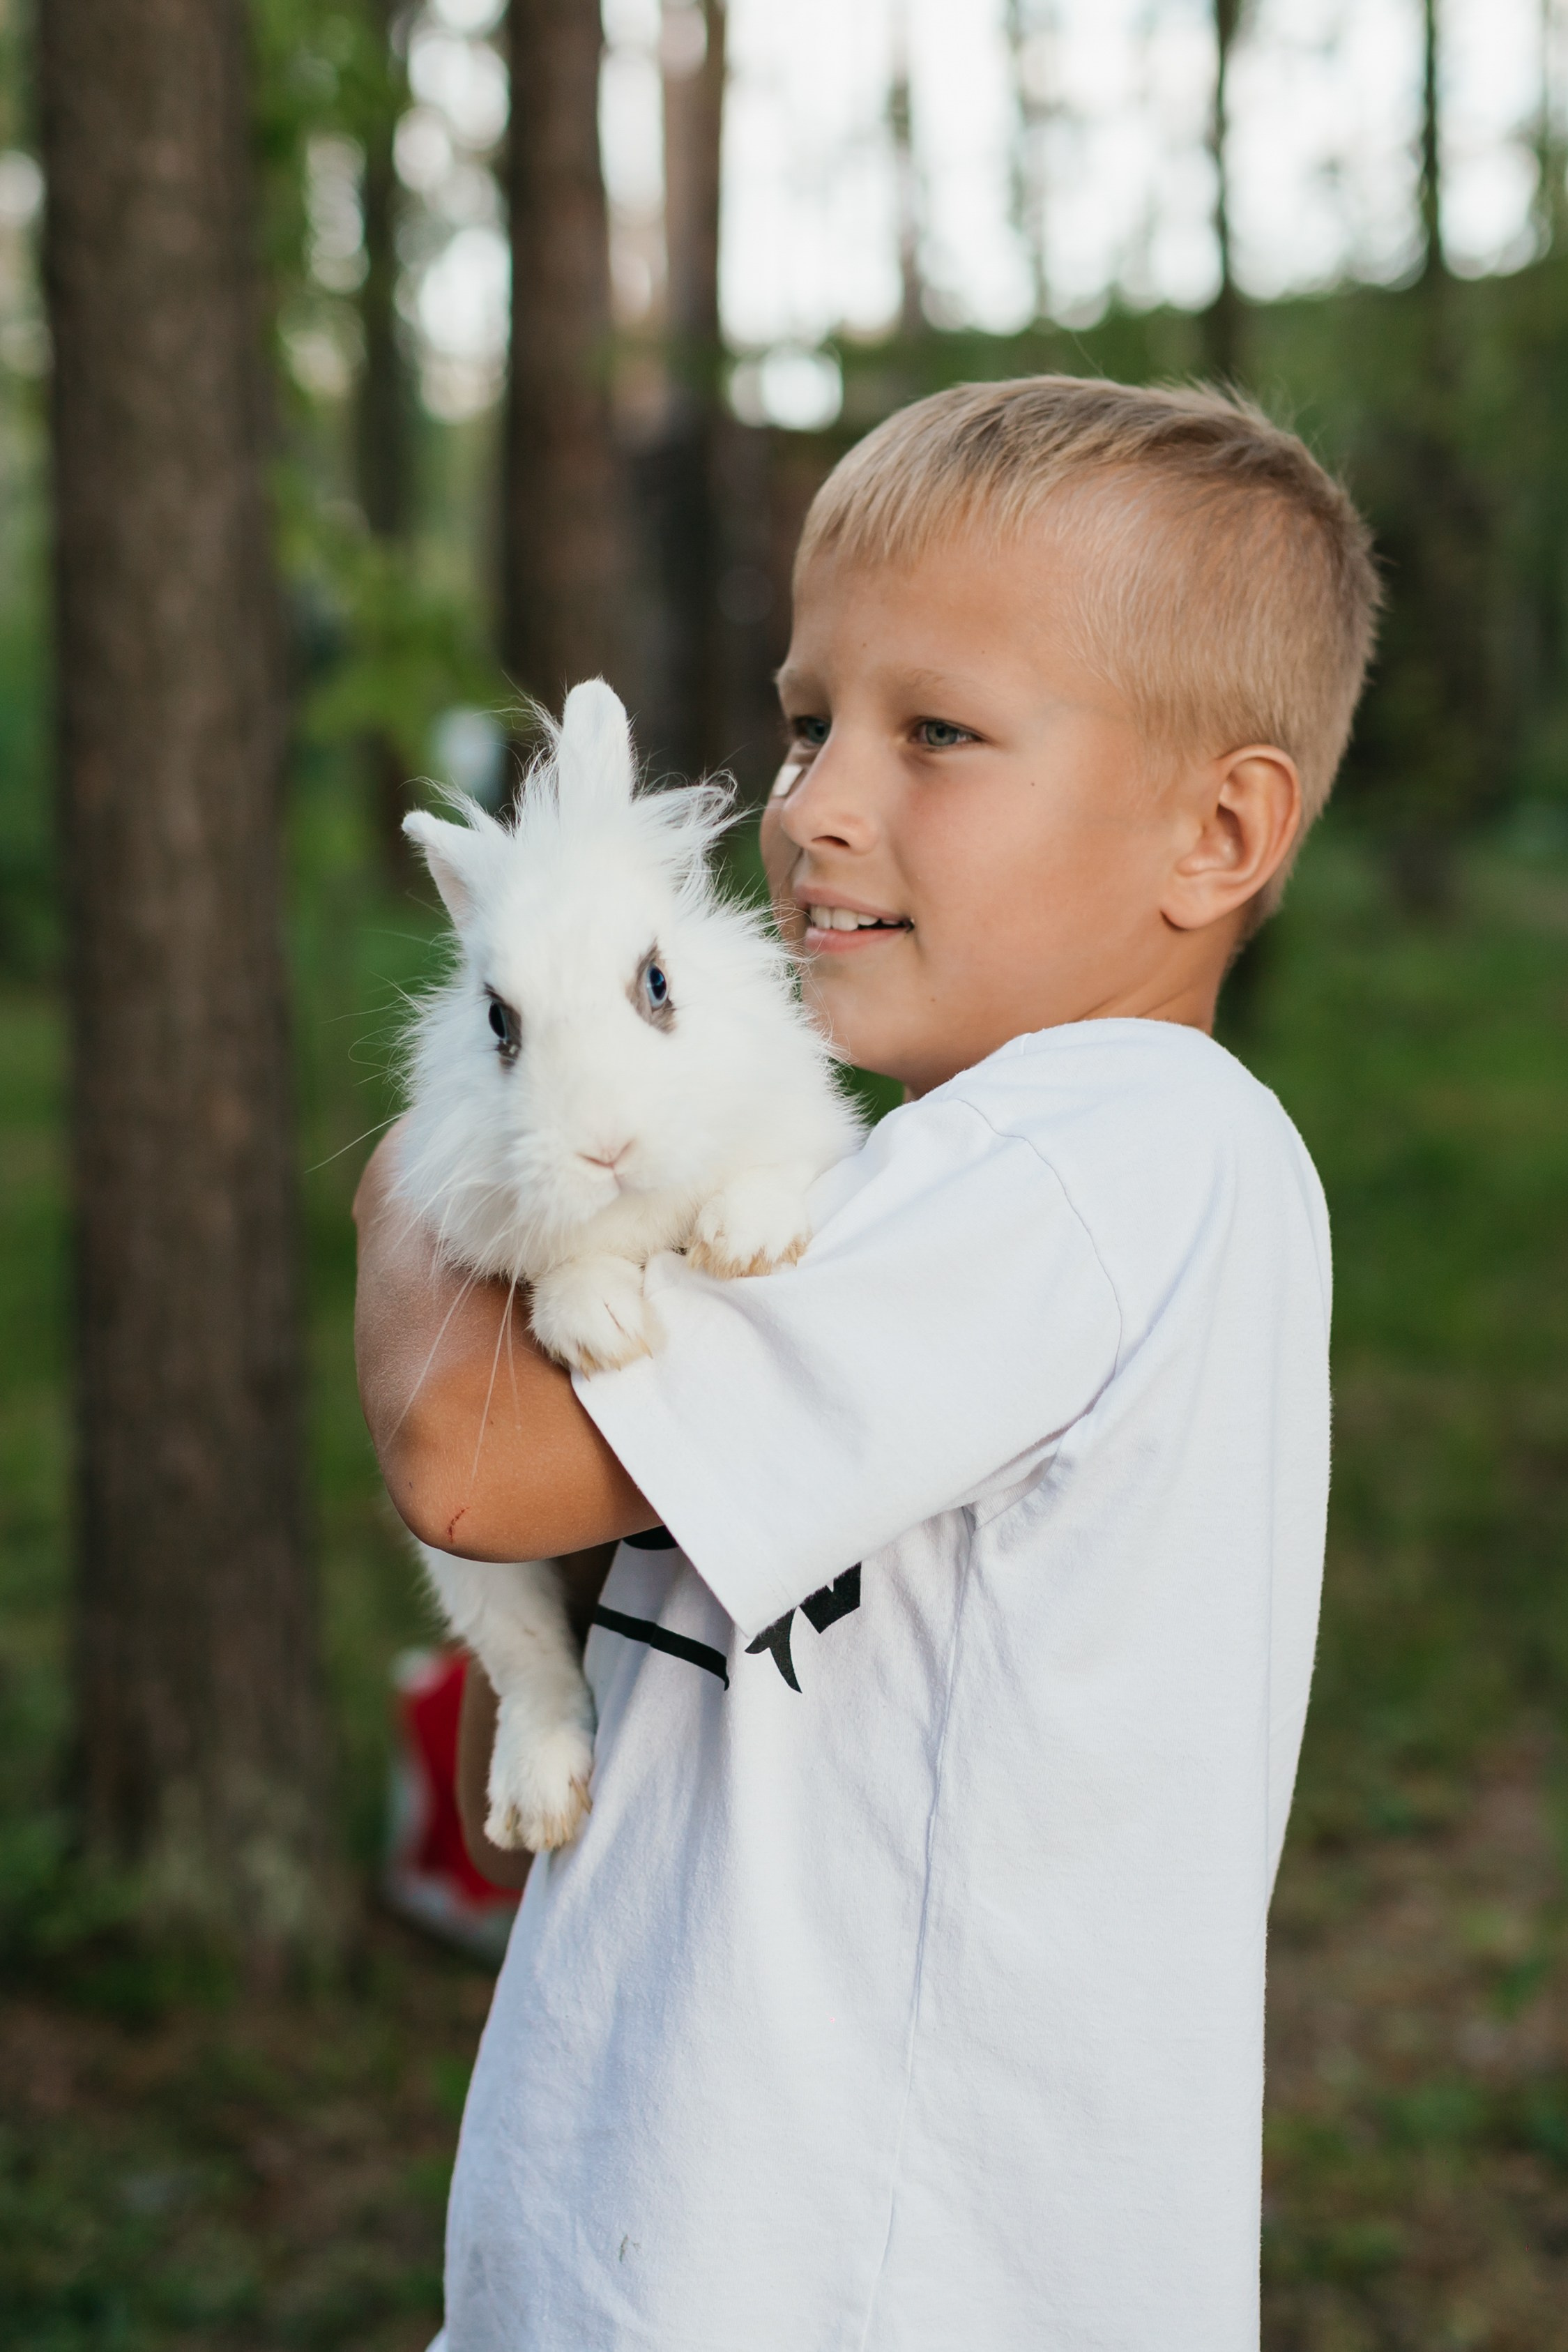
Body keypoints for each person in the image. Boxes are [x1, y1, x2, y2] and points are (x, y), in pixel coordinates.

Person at [354, 376, 1379, 2351]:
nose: (816, 803)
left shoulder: (1110, 1148)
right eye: (809, 719)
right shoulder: (924, 1191)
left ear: (1218, 832)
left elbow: (468, 1460)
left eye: (938, 734)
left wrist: (453, 1113)